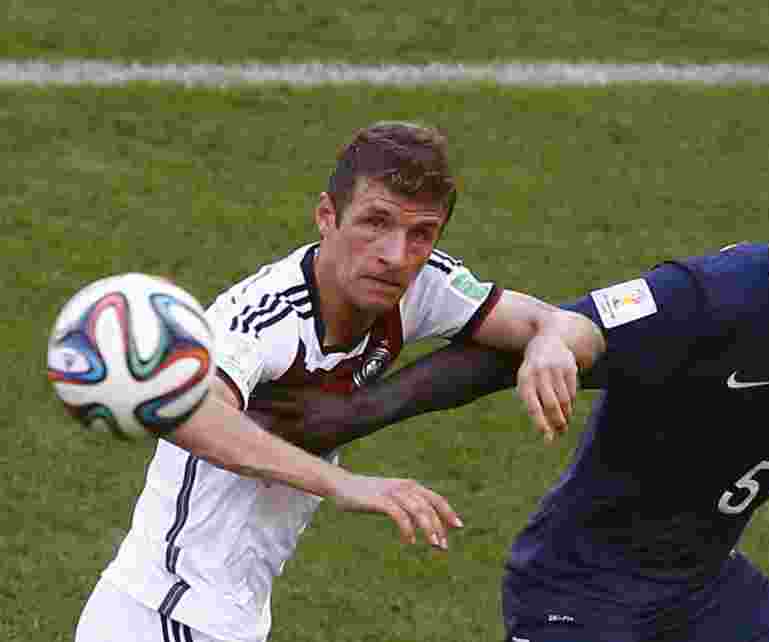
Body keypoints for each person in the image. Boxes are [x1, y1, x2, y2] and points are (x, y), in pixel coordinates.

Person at [251, 134, 769, 642]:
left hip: (705, 591)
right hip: (580, 596)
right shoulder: (706, 299)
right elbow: (547, 339)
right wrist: (354, 413)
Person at [73, 121, 604, 642]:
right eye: (375, 222)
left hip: (227, 614)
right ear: (327, 216)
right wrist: (343, 485)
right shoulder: (262, 316)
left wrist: (548, 341)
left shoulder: (419, 285)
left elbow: (580, 329)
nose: (396, 256)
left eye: (422, 233)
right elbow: (185, 410)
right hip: (167, 612)